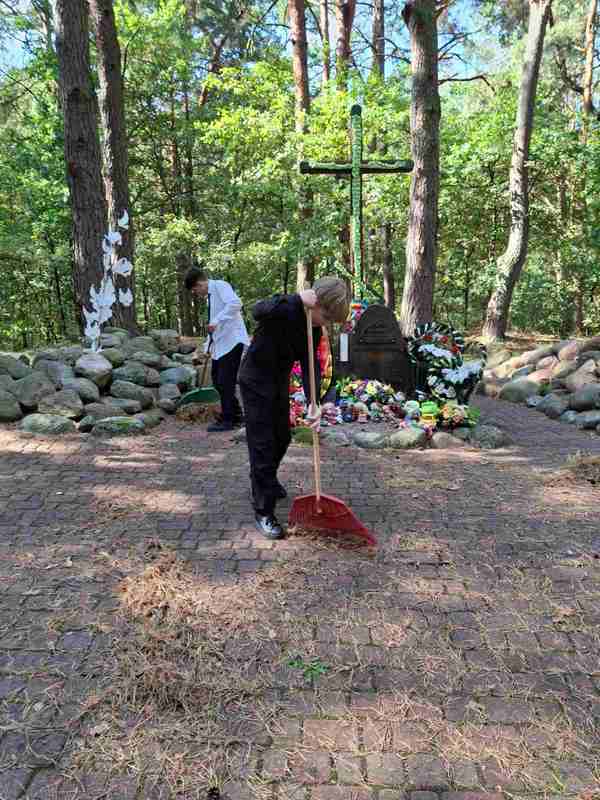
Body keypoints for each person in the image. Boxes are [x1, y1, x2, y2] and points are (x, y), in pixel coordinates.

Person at [238, 277, 350, 540]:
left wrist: (314, 402)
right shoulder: (286, 307)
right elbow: (257, 310)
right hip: (254, 381)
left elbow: (312, 365)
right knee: (262, 444)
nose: (326, 323)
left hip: (277, 384)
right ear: (315, 303)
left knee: (282, 437)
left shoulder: (312, 329)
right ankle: (263, 510)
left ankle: (264, 478)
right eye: (326, 316)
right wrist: (297, 298)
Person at [185, 266, 250, 432]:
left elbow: (235, 303)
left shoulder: (220, 286)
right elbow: (215, 328)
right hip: (221, 345)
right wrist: (207, 348)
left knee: (225, 381)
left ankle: (229, 420)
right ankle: (236, 414)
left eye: (194, 289)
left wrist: (216, 321)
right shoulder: (210, 297)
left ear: (200, 283)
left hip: (233, 341)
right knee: (217, 379)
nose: (195, 293)